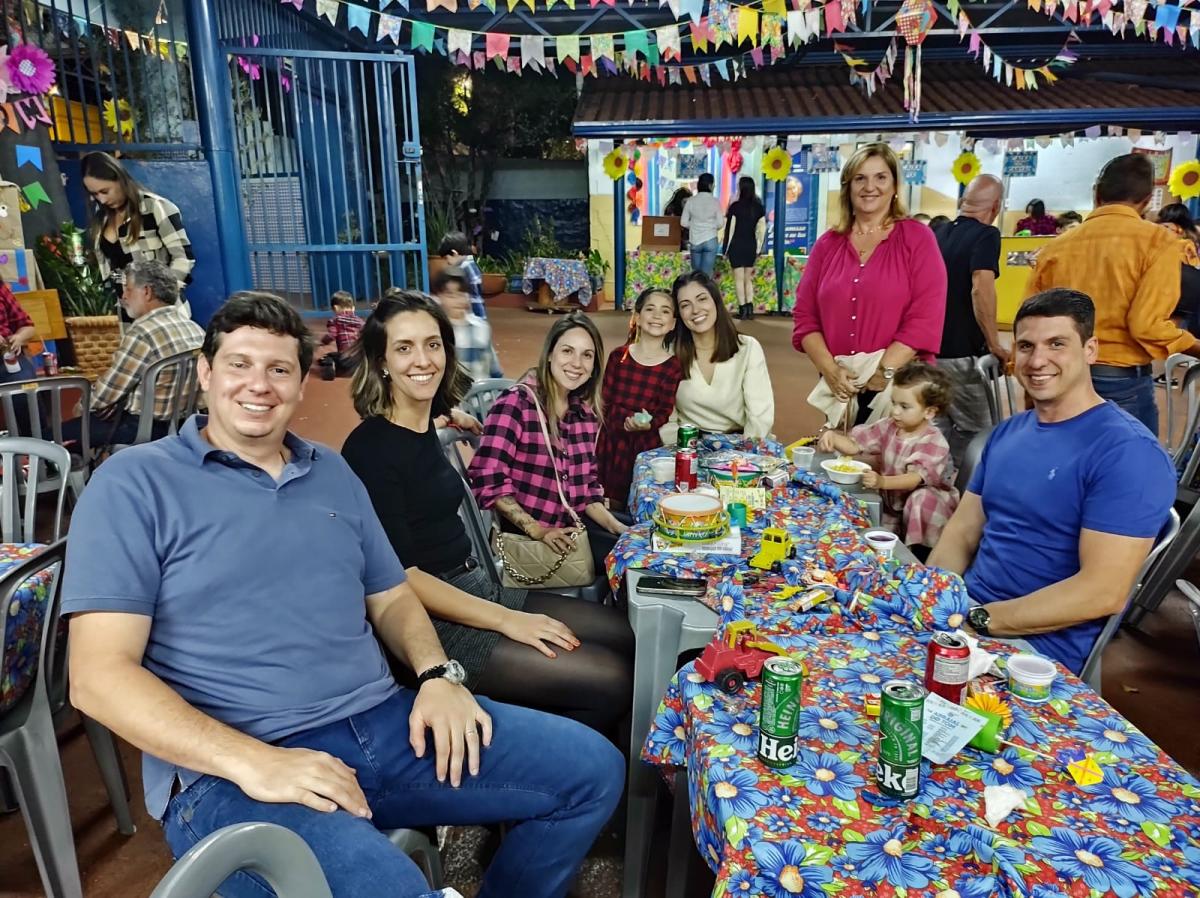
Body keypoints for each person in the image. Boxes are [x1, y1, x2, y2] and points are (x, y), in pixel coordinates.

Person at [62, 292, 624, 898]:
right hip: (234, 767)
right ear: (205, 372)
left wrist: (438, 675)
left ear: (302, 382)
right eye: (240, 364)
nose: (260, 384)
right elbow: (97, 677)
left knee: (593, 771)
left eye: (280, 368)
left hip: (383, 722)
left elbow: (392, 594)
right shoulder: (135, 483)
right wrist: (255, 761)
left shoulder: (331, 471)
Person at [340, 291, 632, 735]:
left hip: (478, 587)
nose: (423, 360)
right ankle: (536, 750)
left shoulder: (420, 422)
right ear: (382, 361)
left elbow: (422, 441)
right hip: (433, 621)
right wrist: (509, 620)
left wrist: (451, 416)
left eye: (432, 344)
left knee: (625, 635)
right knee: (611, 680)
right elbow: (402, 579)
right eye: (404, 348)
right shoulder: (370, 449)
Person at [929, 289, 1176, 675]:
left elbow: (1102, 592)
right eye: (1026, 346)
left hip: (1033, 655)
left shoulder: (1128, 453)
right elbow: (961, 533)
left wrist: (977, 620)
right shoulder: (1008, 433)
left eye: (1057, 344)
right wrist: (931, 598)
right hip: (964, 621)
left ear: (1090, 350)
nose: (1037, 360)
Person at [1025, 153, 1200, 435]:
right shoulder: (1159, 242)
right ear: (1148, 199)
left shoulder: (1056, 247)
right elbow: (1146, 326)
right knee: (1128, 462)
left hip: (1061, 375)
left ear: (1096, 194)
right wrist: (1193, 346)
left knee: (1063, 459)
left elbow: (1030, 323)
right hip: (1120, 383)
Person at [792, 142, 947, 426]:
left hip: (900, 385)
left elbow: (926, 316)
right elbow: (805, 317)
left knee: (891, 453)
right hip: (841, 385)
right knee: (842, 452)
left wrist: (883, 372)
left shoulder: (917, 239)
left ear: (895, 185)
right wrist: (829, 370)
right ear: (848, 187)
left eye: (880, 177)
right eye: (860, 178)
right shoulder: (827, 244)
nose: (869, 187)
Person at [468, 311, 629, 577]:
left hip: (569, 525)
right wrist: (537, 530)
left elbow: (586, 491)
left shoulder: (583, 415)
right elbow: (487, 477)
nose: (576, 363)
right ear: (550, 354)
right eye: (567, 351)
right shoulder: (517, 404)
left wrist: (618, 528)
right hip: (530, 539)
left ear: (595, 365)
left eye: (587, 355)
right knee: (631, 566)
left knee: (638, 538)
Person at [62, 259, 204, 448]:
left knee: (51, 436)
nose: (123, 296)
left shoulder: (143, 332)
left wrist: (81, 407)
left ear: (147, 291)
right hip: (184, 425)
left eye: (128, 289)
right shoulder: (194, 328)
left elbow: (108, 391)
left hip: (142, 429)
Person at [818, 362, 958, 550]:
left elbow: (913, 479)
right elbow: (855, 445)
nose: (895, 411)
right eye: (894, 403)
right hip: (892, 503)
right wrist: (833, 438)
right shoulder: (889, 426)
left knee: (920, 499)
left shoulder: (933, 441)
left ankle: (922, 552)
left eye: (904, 406)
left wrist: (882, 482)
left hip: (925, 508)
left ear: (929, 412)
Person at [935, 174, 1008, 467]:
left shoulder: (937, 233)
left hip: (927, 351)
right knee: (979, 432)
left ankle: (935, 484)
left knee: (935, 427)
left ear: (963, 201)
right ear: (996, 207)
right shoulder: (986, 235)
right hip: (962, 354)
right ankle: (964, 488)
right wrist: (994, 343)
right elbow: (981, 288)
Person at [596, 288, 683, 507]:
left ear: (673, 323)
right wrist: (624, 421)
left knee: (637, 500)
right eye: (650, 309)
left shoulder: (673, 366)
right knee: (606, 499)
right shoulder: (619, 356)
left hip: (644, 446)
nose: (657, 315)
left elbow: (664, 411)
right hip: (611, 441)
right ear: (637, 317)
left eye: (665, 311)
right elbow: (605, 401)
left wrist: (647, 423)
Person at [665, 271, 773, 442]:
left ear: (715, 301)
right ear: (679, 313)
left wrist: (744, 453)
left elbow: (760, 417)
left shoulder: (747, 348)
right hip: (688, 445)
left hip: (740, 446)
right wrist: (680, 449)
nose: (695, 310)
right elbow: (667, 419)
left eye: (702, 299)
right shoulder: (669, 353)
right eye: (685, 305)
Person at [82, 152, 195, 307]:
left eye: (105, 191)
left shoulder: (155, 208)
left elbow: (183, 258)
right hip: (125, 310)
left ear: (121, 180)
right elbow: (112, 272)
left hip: (162, 310)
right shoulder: (102, 218)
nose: (101, 200)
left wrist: (161, 296)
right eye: (95, 194)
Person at [431, 265, 502, 382]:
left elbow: (494, 369)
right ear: (438, 297)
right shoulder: (435, 330)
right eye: (450, 295)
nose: (457, 300)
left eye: (461, 294)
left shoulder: (481, 327)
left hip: (480, 391)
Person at [722, 176, 766, 321]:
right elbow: (762, 230)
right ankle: (750, 308)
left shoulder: (735, 207)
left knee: (739, 279)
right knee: (748, 279)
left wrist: (725, 249)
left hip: (736, 245)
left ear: (741, 188)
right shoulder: (759, 207)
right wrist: (758, 248)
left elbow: (730, 230)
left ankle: (742, 310)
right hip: (751, 245)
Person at [1155, 203, 1200, 334]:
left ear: (1178, 228)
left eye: (1165, 226)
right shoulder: (1189, 242)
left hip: (1178, 303)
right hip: (1182, 305)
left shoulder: (1182, 246)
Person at [681, 173, 725, 277]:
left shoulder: (691, 201)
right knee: (706, 275)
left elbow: (683, 222)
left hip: (695, 240)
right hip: (710, 239)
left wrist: (694, 225)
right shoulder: (715, 202)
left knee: (696, 275)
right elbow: (720, 223)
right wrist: (711, 227)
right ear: (710, 185)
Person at [437, 231, 486, 319]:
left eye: (447, 258)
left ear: (454, 253)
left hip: (473, 313)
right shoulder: (470, 264)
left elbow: (473, 296)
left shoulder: (464, 268)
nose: (447, 262)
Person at [318, 291, 363, 379]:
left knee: (329, 356)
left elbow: (332, 335)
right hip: (359, 358)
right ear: (353, 308)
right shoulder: (360, 322)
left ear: (335, 308)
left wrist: (323, 341)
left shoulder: (335, 321)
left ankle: (331, 365)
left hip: (344, 358)